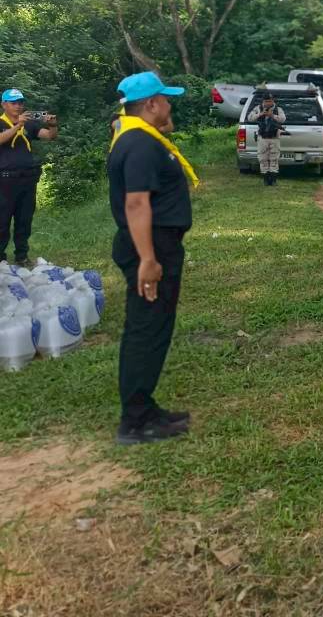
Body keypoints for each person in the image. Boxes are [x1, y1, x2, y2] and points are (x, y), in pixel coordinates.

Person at [108, 72, 198, 446]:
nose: (169, 105)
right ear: (150, 104)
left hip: (157, 243)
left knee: (153, 327)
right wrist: (148, 258)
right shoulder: (140, 144)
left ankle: (144, 407)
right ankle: (136, 421)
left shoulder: (137, 139)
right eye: (165, 99)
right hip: (150, 246)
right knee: (146, 330)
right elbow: (136, 202)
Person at [0, 87, 58, 266]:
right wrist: (18, 125)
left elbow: (49, 136)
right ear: (4, 104)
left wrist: (53, 124)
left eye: (20, 103)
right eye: (13, 102)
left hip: (27, 178)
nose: (18, 106)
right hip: (5, 179)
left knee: (24, 219)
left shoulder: (30, 124)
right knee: (2, 220)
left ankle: (22, 256)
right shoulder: (2, 123)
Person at [246, 91, 285, 186]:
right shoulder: (258, 108)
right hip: (263, 137)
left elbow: (283, 119)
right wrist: (260, 114)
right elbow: (250, 118)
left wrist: (272, 116)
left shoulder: (278, 109)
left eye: (270, 101)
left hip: (274, 137)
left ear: (273, 100)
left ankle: (273, 180)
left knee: (274, 158)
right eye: (267, 101)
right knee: (263, 158)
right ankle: (266, 180)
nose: (268, 103)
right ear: (263, 101)